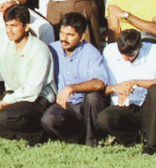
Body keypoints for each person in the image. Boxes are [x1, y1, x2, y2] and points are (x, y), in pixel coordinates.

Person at [0, 5, 56, 145]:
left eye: (14, 26)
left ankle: (39, 135)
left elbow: (31, 92)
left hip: (37, 99)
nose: (9, 30)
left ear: (26, 27)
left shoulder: (39, 50)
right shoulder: (4, 40)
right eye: (7, 25)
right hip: (12, 95)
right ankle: (19, 137)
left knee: (5, 116)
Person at [96, 29, 156, 155]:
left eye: (130, 55)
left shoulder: (154, 51)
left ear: (139, 47)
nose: (125, 59)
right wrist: (115, 88)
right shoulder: (109, 52)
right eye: (122, 54)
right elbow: (100, 84)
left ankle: (150, 144)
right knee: (104, 118)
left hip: (149, 107)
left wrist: (135, 82)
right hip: (124, 107)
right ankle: (135, 138)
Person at [41, 12, 111, 146]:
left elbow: (100, 83)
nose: (64, 38)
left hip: (86, 104)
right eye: (62, 33)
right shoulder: (53, 49)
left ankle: (91, 140)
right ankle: (77, 138)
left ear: (82, 37)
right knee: (48, 120)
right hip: (65, 104)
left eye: (70, 35)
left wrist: (71, 88)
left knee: (93, 98)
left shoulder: (91, 53)